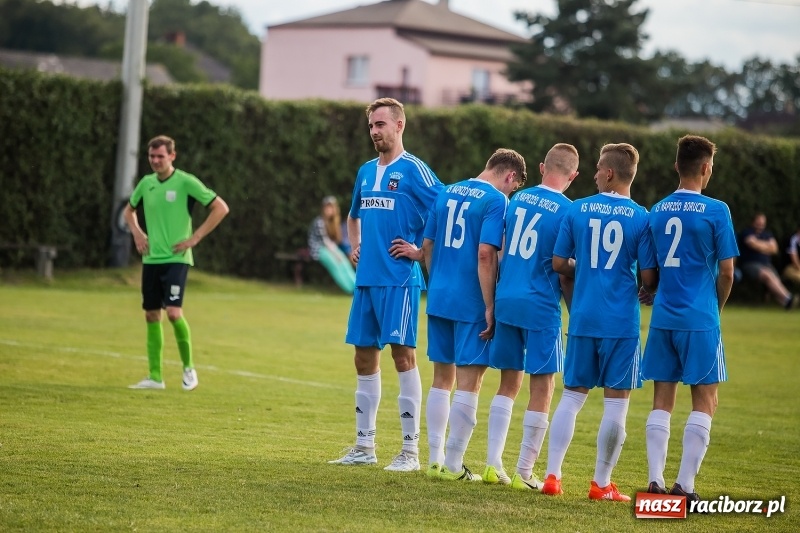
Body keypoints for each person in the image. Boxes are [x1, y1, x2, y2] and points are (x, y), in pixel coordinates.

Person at [328, 98, 444, 472]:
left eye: (381, 125)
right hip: (367, 281)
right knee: (363, 357)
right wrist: (353, 246)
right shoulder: (365, 171)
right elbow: (352, 215)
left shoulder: (415, 170)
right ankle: (365, 447)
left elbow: (444, 210)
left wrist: (419, 249)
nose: (375, 132)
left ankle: (410, 452)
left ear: (399, 126)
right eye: (372, 126)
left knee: (403, 357)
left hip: (399, 281)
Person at [547, 142, 658, 501]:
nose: (594, 174)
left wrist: (585, 267)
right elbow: (648, 276)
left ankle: (552, 477)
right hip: (620, 322)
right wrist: (647, 288)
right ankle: (601, 484)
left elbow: (560, 263)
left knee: (570, 398)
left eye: (597, 168)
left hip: (582, 316)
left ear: (609, 173)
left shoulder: (577, 210)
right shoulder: (641, 217)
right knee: (616, 403)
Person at [415, 148, 527, 482]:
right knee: (470, 382)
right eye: (514, 187)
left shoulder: (447, 191)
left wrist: (436, 284)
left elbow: (428, 245)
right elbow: (484, 254)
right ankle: (453, 465)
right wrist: (490, 305)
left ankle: (434, 461)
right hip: (471, 301)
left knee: (441, 379)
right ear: (510, 176)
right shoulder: (496, 201)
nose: (512, 193)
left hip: (439, 296)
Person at [641, 134, 739, 503]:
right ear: (705, 168)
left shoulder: (657, 210)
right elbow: (727, 272)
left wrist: (651, 291)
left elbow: (648, 277)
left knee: (662, 399)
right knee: (705, 401)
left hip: (664, 316)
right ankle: (684, 486)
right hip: (700, 318)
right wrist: (716, 309)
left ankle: (654, 481)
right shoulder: (717, 210)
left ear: (676, 167)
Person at [483, 143, 579, 489]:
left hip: (507, 297)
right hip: (540, 305)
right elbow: (564, 268)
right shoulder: (569, 211)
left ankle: (493, 464)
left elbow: (502, 249)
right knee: (543, 386)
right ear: (574, 176)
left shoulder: (516, 201)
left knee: (507, 383)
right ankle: (524, 471)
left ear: (541, 167)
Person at [124, 135, 230, 390]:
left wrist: (195, 237)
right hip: (151, 259)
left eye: (160, 156)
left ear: (172, 156)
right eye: (152, 156)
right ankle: (155, 377)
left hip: (176, 258)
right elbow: (129, 211)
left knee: (173, 313)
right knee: (151, 314)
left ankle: (189, 370)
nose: (155, 161)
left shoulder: (185, 182)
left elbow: (220, 208)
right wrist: (137, 233)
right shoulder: (146, 184)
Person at [737, 213, 797, 309]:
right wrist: (767, 246)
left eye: (762, 221)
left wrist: (760, 246)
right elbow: (753, 244)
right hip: (750, 264)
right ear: (754, 221)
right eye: (759, 220)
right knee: (767, 275)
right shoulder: (747, 232)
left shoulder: (767, 234)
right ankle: (788, 298)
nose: (760, 223)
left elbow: (774, 249)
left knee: (774, 277)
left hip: (766, 264)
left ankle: (785, 302)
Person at [307, 196, 356, 294]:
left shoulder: (333, 222)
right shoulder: (319, 222)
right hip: (318, 250)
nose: (329, 210)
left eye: (331, 207)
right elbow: (326, 242)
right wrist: (336, 254)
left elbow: (335, 242)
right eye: (327, 207)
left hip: (328, 248)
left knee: (344, 262)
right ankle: (350, 289)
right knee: (335, 264)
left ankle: (356, 286)